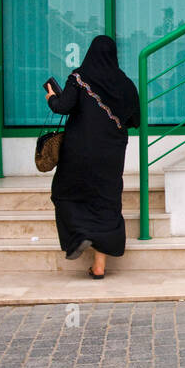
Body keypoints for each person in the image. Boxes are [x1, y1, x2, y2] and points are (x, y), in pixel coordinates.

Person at [45, 35, 140, 279]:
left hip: (79, 150)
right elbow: (135, 120)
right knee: (105, 202)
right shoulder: (126, 85)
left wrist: (50, 96)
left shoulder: (79, 78)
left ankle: (79, 234)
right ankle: (99, 266)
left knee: (65, 194)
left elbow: (63, 106)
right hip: (111, 153)